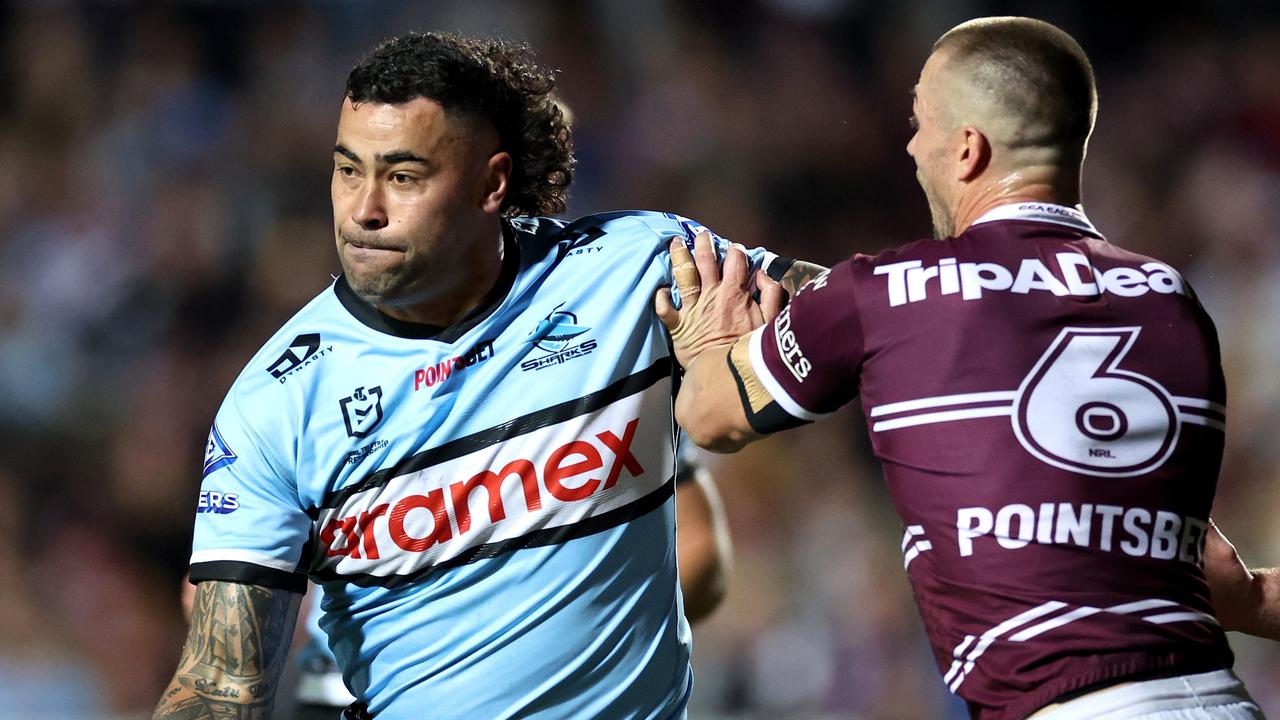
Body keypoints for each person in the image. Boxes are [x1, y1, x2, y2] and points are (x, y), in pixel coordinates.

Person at [154, 32, 819, 720]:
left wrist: (770, 348)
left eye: (402, 176)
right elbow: (220, 687)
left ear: (491, 184)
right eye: (348, 170)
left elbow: (854, 312)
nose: (363, 209)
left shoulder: (632, 272)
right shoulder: (274, 405)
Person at [660, 16, 1265, 720]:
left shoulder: (882, 292)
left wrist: (705, 338)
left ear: (968, 149)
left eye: (920, 122)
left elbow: (709, 414)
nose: (913, 147)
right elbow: (1227, 587)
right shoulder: (1173, 297)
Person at [291, 437, 734, 719]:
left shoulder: (602, 344)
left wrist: (574, 635)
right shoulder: (317, 379)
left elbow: (699, 548)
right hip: (347, 693)